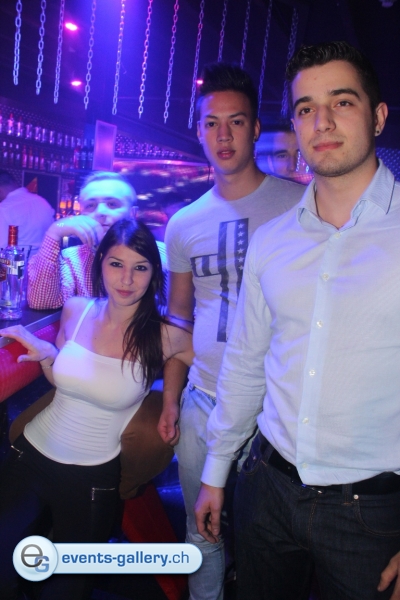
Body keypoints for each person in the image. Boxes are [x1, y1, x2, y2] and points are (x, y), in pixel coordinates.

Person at [194, 41, 400, 600]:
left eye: (342, 102)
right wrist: (215, 471)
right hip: (266, 488)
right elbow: (246, 363)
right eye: (306, 108)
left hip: (372, 512)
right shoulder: (273, 240)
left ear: (378, 116)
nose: (322, 122)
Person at [157, 62, 303, 600]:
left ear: (255, 128)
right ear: (198, 131)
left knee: (271, 541)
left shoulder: (298, 204)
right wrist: (170, 400)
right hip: (204, 399)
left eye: (236, 122)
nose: (223, 135)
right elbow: (179, 319)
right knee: (202, 530)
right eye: (211, 123)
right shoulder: (183, 223)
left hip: (278, 405)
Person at [0, 219, 193, 600]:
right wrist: (48, 357)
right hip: (29, 457)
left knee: (67, 590)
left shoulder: (166, 334)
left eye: (140, 267)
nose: (126, 279)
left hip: (92, 479)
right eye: (116, 264)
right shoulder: (76, 309)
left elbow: (199, 361)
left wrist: (170, 398)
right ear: (100, 262)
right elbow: (65, 382)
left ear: (154, 273)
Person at [27, 170, 166, 310]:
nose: (100, 212)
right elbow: (42, 302)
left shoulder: (162, 256)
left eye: (112, 204)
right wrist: (56, 230)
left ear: (132, 213)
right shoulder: (72, 259)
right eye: (90, 205)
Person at [0, 170, 54, 254]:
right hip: (46, 260)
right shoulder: (42, 201)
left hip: (18, 261)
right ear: (15, 183)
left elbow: (2, 248)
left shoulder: (4, 208)